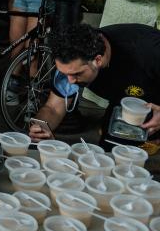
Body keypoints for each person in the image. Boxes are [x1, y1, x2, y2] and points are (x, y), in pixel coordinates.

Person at [29, 23, 160, 146]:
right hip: (121, 102)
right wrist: (40, 128)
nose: (69, 81)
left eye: (76, 74)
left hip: (152, 98)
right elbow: (53, 108)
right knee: (110, 149)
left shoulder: (150, 50)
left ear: (98, 60)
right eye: (64, 73)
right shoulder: (71, 65)